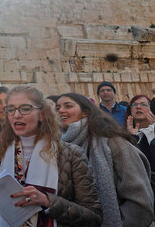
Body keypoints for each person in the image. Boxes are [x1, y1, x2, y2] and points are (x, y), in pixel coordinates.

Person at [0, 86, 102, 227]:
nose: (16, 115)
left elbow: (93, 217)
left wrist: (48, 201)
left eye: (25, 108)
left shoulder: (71, 154)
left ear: (42, 114)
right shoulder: (0, 151)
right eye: (11, 109)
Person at [58, 92, 154, 226]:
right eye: (58, 108)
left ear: (85, 112)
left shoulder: (115, 144)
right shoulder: (60, 147)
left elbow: (139, 200)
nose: (61, 110)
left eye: (68, 106)